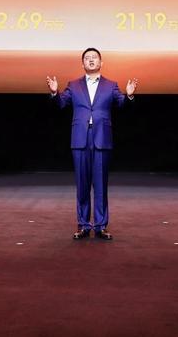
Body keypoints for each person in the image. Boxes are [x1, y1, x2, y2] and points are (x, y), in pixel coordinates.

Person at [46, 48, 138, 240]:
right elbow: (61, 104)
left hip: (101, 138)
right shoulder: (73, 85)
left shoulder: (111, 85)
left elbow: (122, 104)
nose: (91, 60)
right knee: (82, 184)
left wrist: (129, 96)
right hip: (80, 138)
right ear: (82, 64)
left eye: (94, 58)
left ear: (101, 62)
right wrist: (55, 93)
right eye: (87, 58)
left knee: (101, 185)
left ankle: (101, 226)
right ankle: (83, 225)